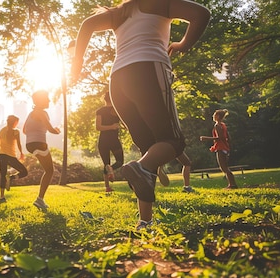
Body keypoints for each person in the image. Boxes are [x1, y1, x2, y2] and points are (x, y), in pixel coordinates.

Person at [71, 0, 210, 230]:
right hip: (147, 70)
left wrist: (77, 64)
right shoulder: (161, 4)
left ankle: (145, 221)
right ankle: (140, 171)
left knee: (149, 153)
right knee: (173, 142)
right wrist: (183, 44)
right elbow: (201, 14)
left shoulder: (119, 13)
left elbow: (86, 26)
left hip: (118, 81)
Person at [23, 90, 61, 211]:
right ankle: (40, 199)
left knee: (48, 170)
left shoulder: (31, 113)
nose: (49, 100)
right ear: (41, 100)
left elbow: (24, 130)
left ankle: (40, 199)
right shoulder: (42, 113)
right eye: (47, 98)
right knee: (50, 170)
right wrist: (57, 130)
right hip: (39, 143)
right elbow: (50, 129)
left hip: (30, 145)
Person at [200, 109, 238, 189]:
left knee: (224, 167)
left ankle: (232, 185)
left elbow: (219, 138)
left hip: (220, 147)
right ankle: (231, 184)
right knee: (225, 167)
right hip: (225, 147)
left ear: (217, 116)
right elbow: (228, 137)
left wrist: (205, 138)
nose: (213, 115)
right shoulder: (223, 125)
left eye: (215, 114)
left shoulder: (217, 125)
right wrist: (228, 147)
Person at [0, 115, 28, 203]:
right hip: (10, 156)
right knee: (24, 172)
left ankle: (2, 197)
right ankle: (11, 178)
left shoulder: (2, 130)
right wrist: (21, 153)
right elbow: (18, 143)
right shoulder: (16, 131)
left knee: (3, 175)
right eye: (17, 122)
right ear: (14, 122)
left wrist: (2, 151)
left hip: (1, 155)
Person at [96, 91, 124, 193]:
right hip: (113, 141)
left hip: (103, 141)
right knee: (120, 161)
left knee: (106, 165)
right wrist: (113, 126)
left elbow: (98, 127)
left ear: (104, 99)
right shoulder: (116, 110)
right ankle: (111, 168)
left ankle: (107, 187)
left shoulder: (99, 111)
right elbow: (124, 123)